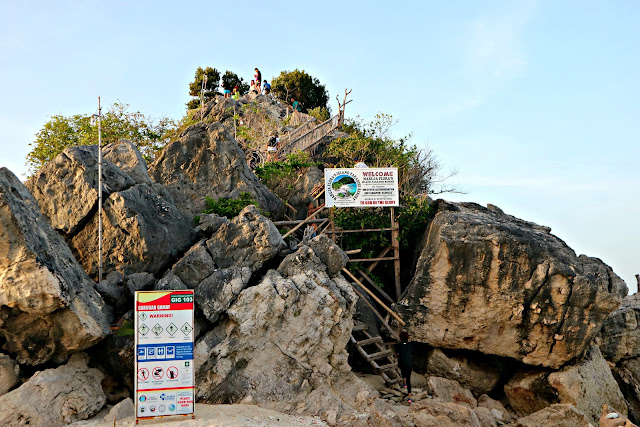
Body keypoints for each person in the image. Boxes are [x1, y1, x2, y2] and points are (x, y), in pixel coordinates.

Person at [396, 331, 413, 403]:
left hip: (402, 363)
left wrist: (397, 356)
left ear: (400, 338)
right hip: (409, 363)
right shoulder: (410, 345)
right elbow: (412, 353)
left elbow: (397, 354)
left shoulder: (399, 345)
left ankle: (404, 383)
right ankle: (409, 398)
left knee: (403, 371)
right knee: (409, 378)